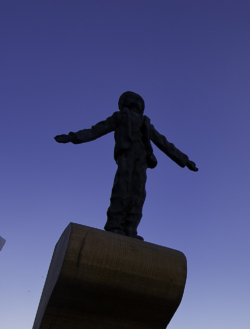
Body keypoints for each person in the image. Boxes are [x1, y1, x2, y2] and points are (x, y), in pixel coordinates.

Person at [54, 91, 198, 239]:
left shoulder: (145, 122)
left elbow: (164, 142)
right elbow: (96, 130)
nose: (134, 100)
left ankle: (130, 228)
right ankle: (114, 225)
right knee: (122, 186)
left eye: (137, 99)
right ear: (123, 103)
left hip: (142, 157)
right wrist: (72, 137)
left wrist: (185, 160)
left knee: (138, 192)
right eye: (129, 98)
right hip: (126, 154)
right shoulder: (120, 116)